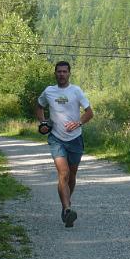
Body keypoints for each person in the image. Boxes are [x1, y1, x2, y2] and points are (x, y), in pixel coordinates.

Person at [36, 61, 94, 227]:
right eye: (59, 71)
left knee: (72, 176)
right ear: (55, 73)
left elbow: (90, 112)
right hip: (56, 138)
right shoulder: (49, 91)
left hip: (75, 139)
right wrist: (43, 122)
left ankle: (66, 205)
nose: (61, 74)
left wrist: (78, 123)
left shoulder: (76, 91)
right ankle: (67, 209)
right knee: (64, 173)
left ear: (69, 74)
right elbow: (39, 106)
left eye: (64, 71)